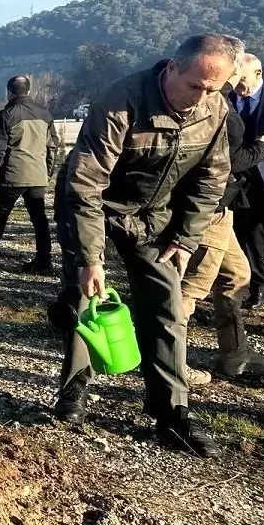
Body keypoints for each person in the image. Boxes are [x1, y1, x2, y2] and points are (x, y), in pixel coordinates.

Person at [47, 34, 241, 457]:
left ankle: (172, 414)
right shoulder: (121, 102)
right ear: (172, 67)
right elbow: (86, 184)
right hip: (93, 204)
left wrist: (187, 238)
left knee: (167, 305)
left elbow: (211, 180)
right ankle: (75, 389)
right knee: (87, 297)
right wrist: (90, 258)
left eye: (214, 88)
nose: (202, 96)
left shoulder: (215, 110)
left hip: (153, 215)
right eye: (195, 85)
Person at [181, 57, 264, 379]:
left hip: (223, 205)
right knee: (192, 287)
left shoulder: (214, 101)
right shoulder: (217, 105)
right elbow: (230, 159)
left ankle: (235, 355)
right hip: (210, 208)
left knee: (236, 275)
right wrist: (263, 147)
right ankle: (169, 362)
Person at [0, 76, 59, 272]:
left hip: (12, 176)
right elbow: (53, 146)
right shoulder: (45, 115)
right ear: (28, 91)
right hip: (37, 175)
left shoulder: (6, 115)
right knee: (39, 219)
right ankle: (44, 260)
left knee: (0, 216)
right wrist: (47, 171)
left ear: (9, 92)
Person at [230, 54, 264, 310]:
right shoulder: (225, 99)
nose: (237, 85)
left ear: (258, 74)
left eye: (241, 79)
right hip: (242, 179)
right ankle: (258, 286)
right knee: (249, 234)